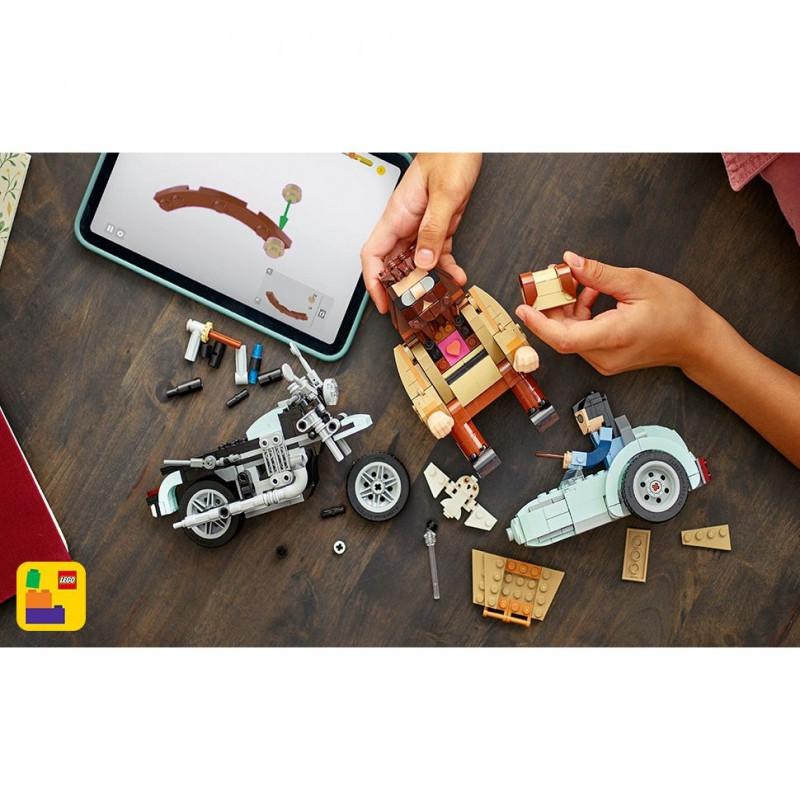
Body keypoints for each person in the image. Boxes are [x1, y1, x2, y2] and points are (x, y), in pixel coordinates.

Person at [361, 153, 800, 468]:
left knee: (517, 375)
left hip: (497, 366)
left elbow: (495, 322)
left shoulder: (470, 304)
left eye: (424, 288)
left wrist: (696, 341)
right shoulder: (411, 347)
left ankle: (532, 405)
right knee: (458, 415)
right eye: (411, 298)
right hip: (456, 389)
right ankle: (476, 447)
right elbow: (418, 383)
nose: (423, 300)